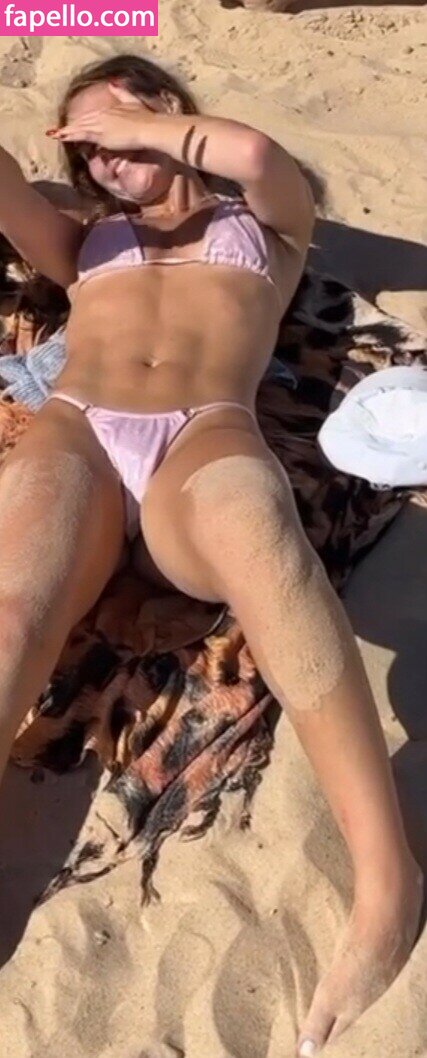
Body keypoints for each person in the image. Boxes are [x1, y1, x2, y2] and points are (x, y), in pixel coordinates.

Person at [0, 53, 421, 1057]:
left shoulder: (265, 226)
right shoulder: (86, 240)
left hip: (201, 435)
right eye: (85, 149)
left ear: (168, 112)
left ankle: (386, 879)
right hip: (81, 430)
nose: (103, 157)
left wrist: (141, 131)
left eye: (111, 129)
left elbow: (258, 156)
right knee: (13, 607)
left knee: (262, 534)